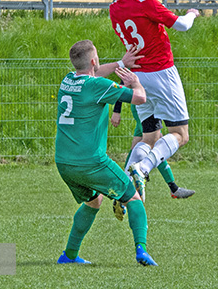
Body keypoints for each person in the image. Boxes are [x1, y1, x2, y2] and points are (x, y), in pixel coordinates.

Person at [54, 40, 158, 266]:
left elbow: (93, 72)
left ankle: (69, 255)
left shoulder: (68, 80)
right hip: (91, 162)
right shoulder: (98, 86)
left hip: (64, 162)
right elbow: (140, 98)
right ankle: (142, 251)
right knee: (133, 197)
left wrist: (121, 63)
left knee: (94, 200)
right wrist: (136, 82)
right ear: (93, 60)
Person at [108, 0, 199, 201]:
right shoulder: (145, 2)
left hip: (138, 76)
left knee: (149, 136)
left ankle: (128, 182)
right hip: (161, 72)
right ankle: (143, 168)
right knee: (180, 134)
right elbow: (182, 25)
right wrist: (192, 13)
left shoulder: (113, 9)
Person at [110, 100, 195, 206]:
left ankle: (122, 190)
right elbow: (125, 84)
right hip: (143, 105)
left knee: (139, 145)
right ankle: (173, 187)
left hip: (147, 103)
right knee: (155, 143)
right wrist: (116, 111)